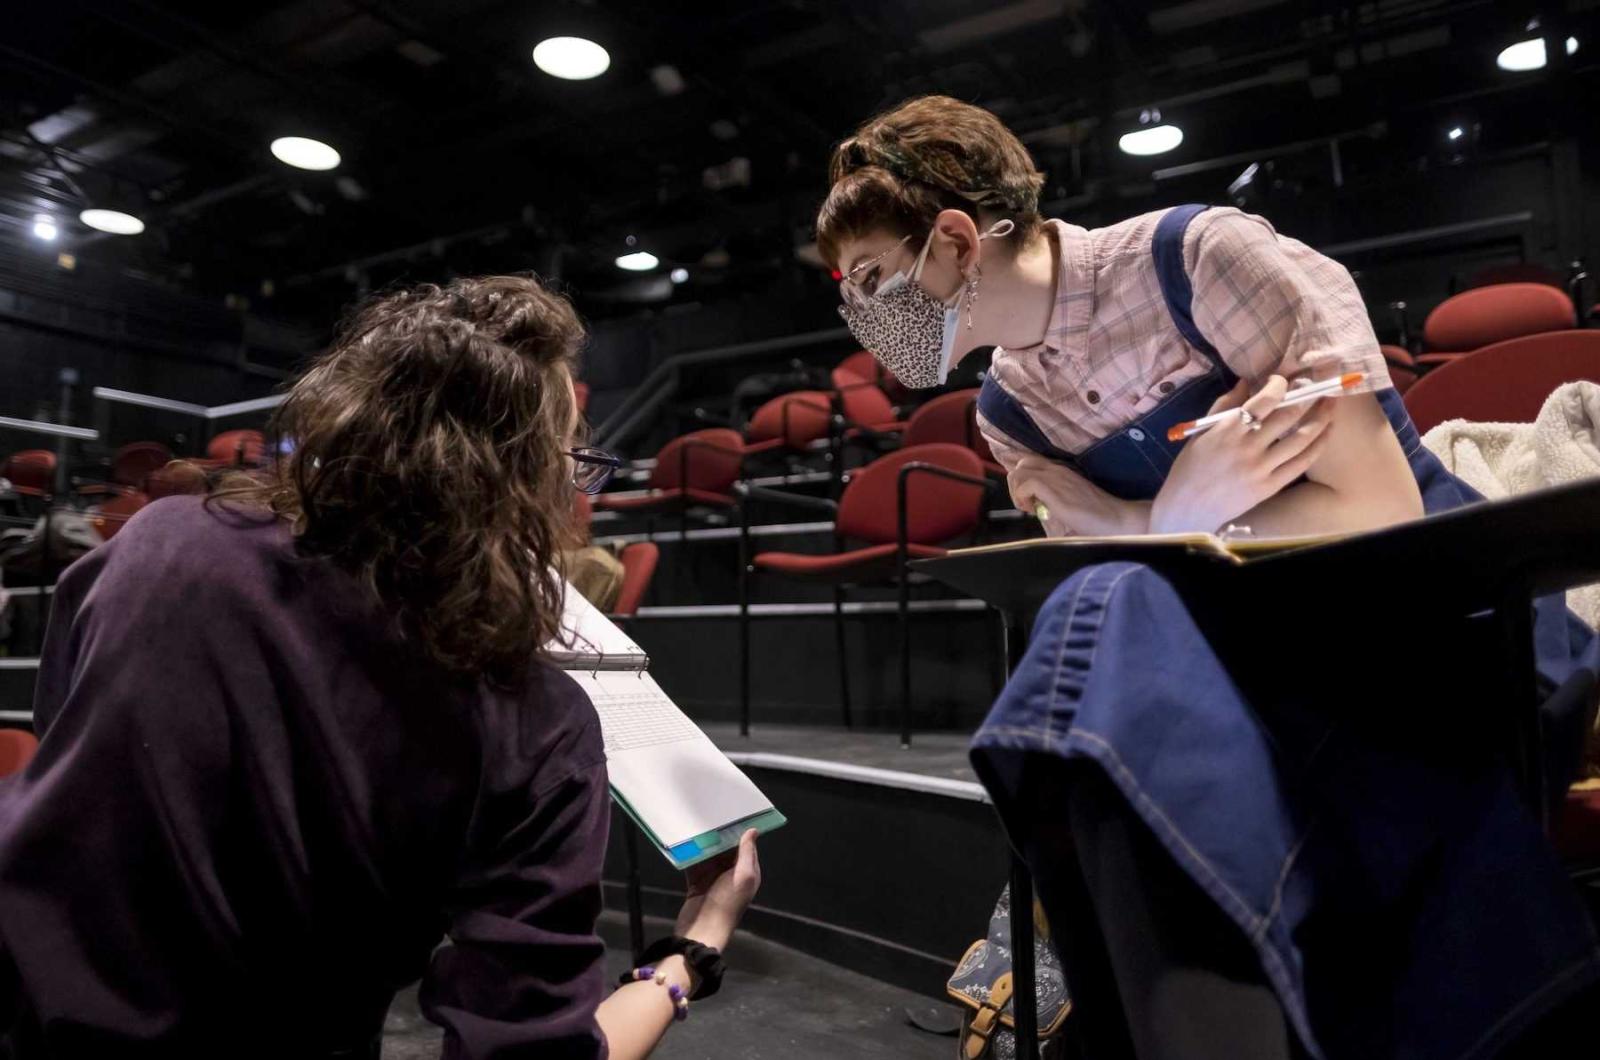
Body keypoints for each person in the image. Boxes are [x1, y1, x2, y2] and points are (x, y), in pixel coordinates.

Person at [817, 96, 1599, 1059]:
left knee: (1109, 612)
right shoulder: (1006, 413)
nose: (861, 315)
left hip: (1431, 626)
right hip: (1257, 656)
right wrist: (1181, 516)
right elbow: (1140, 568)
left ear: (952, 237)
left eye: (871, 278)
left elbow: (1378, 517)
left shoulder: (1197, 260)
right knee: (1110, 622)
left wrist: (1155, 520)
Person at [0, 276, 760, 1059]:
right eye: (570, 464)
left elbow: (60, 746)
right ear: (524, 483)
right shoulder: (533, 719)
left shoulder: (155, 542)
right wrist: (692, 951)